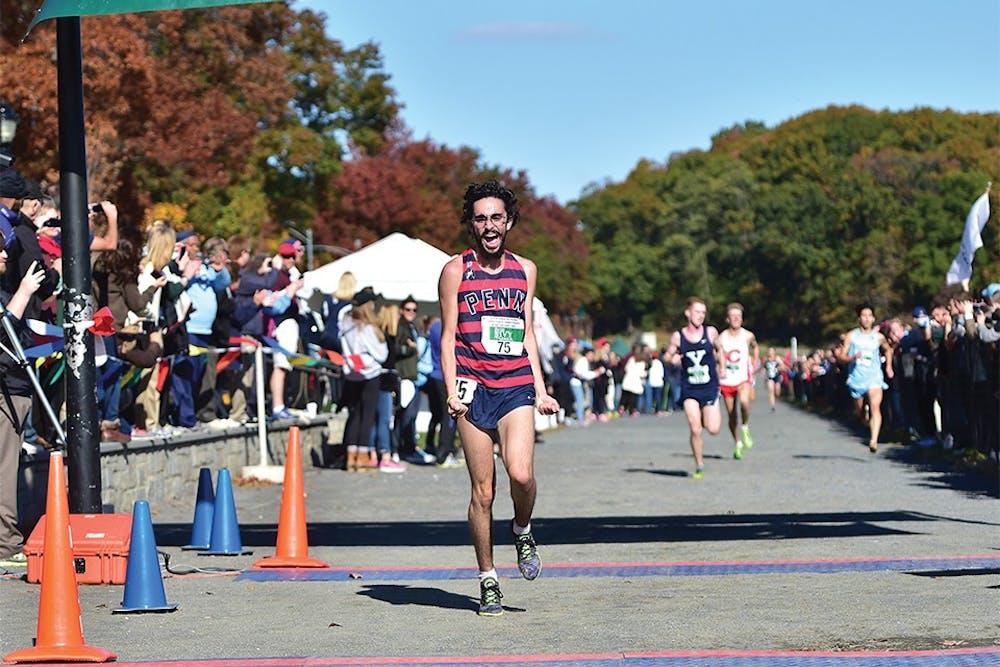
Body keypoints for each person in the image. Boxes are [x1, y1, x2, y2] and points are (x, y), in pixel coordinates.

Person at [438, 180, 559, 617]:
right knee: (483, 491)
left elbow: (526, 333)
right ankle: (488, 578)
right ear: (471, 224)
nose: (489, 226)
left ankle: (522, 527)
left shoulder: (525, 269)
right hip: (471, 388)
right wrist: (451, 391)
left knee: (522, 475)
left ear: (509, 221)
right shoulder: (456, 270)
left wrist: (542, 390)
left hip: (514, 385)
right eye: (480, 218)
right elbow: (448, 337)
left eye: (496, 217)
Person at [0, 256, 46, 566]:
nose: (5, 255)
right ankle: (5, 544)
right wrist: (24, 292)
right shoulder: (12, 293)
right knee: (3, 471)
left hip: (15, 390)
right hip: (4, 393)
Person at [664, 297, 723, 479]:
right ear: (688, 313)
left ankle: (707, 415)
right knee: (695, 428)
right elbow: (666, 356)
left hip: (709, 387)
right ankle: (699, 464)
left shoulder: (711, 332)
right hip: (689, 388)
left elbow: (721, 351)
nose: (701, 316)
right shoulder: (678, 336)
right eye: (697, 312)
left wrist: (723, 367)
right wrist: (672, 359)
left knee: (713, 429)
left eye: (703, 312)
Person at [339, 287, 387, 471]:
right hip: (369, 373)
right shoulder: (367, 328)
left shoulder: (345, 324)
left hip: (352, 372)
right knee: (367, 416)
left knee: (355, 414)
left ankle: (350, 456)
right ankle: (362, 455)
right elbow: (381, 354)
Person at [836, 303, 894, 453]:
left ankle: (873, 440)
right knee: (861, 412)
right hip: (857, 378)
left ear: (873, 318)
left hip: (874, 377)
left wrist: (888, 366)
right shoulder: (852, 336)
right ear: (859, 318)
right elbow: (841, 356)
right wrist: (851, 359)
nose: (867, 319)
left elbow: (888, 350)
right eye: (864, 316)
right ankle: (864, 418)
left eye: (869, 316)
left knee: (875, 407)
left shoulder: (879, 337)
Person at [718, 303, 759, 460]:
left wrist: (754, 363)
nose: (736, 318)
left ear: (742, 318)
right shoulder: (722, 337)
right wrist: (721, 367)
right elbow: (719, 354)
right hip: (727, 380)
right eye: (733, 316)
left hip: (743, 377)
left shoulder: (748, 335)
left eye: (739, 316)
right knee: (731, 415)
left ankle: (745, 427)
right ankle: (737, 443)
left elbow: (755, 347)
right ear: (728, 319)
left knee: (744, 402)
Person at [762, 347, 787, 412]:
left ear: (774, 352)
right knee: (771, 391)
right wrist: (763, 372)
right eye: (769, 351)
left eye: (772, 351)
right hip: (769, 377)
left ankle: (777, 396)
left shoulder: (777, 359)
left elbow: (784, 367)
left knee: (777, 390)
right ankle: (772, 406)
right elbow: (764, 368)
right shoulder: (766, 360)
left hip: (777, 376)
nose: (770, 352)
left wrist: (780, 367)